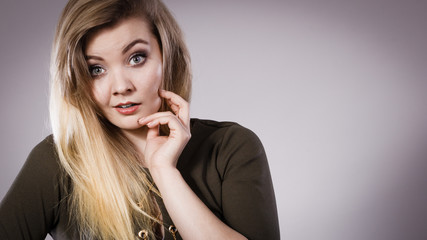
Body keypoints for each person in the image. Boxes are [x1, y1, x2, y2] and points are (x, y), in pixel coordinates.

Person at [0, 0, 280, 239]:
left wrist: (164, 172)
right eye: (96, 69)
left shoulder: (230, 147)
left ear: (166, 56)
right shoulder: (59, 162)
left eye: (136, 58)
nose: (121, 86)